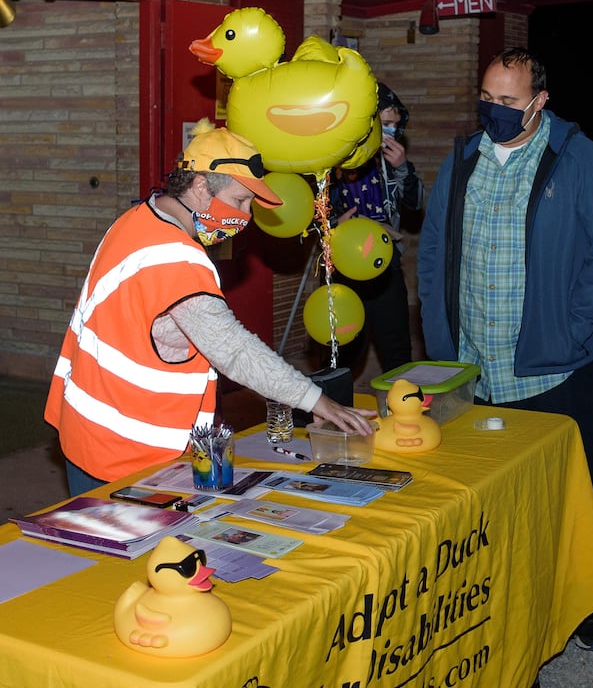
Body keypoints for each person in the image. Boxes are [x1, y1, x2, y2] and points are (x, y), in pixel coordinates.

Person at [417, 47, 593, 652]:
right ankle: (503, 603)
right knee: (492, 495)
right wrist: (440, 339)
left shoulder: (577, 158)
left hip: (552, 366)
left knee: (568, 490)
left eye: (509, 102)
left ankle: (586, 604)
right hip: (475, 365)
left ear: (540, 101)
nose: (496, 111)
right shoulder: (463, 159)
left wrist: (573, 325)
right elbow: (434, 250)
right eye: (487, 99)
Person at [45, 120, 376, 495]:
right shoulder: (176, 259)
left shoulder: (135, 221)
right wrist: (317, 401)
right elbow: (234, 349)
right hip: (129, 456)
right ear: (201, 187)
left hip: (87, 430)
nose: (247, 216)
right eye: (239, 200)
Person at [331, 84, 425, 376]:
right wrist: (336, 224)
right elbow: (315, 210)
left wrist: (403, 168)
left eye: (396, 126)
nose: (392, 132)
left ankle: (405, 415)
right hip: (345, 266)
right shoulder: (337, 158)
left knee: (396, 348)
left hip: (386, 268)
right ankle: (332, 415)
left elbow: (415, 203)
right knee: (344, 350)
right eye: (385, 125)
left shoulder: (393, 162)